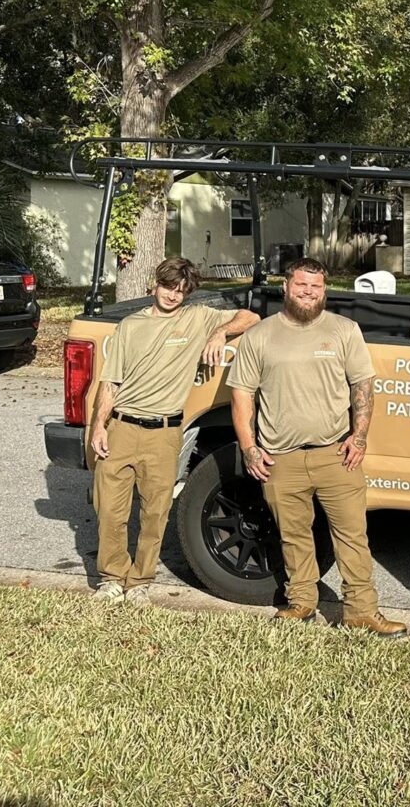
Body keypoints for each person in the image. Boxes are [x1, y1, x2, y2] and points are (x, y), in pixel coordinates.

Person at [227, 257, 403, 636]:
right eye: (302, 285)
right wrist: (249, 449)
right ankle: (302, 602)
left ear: (324, 290)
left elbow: (363, 387)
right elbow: (242, 395)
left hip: (335, 454)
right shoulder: (260, 336)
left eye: (316, 286)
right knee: (293, 536)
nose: (309, 292)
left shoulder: (344, 330)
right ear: (287, 286)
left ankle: (361, 610)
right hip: (281, 458)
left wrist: (359, 437)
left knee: (353, 537)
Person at [89, 256, 260, 605]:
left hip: (165, 432)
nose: (173, 295)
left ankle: (139, 582)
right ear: (156, 284)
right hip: (122, 425)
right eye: (169, 287)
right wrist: (98, 427)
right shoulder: (130, 326)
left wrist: (219, 331)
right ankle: (111, 577)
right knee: (110, 509)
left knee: (155, 512)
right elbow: (110, 383)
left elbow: (252, 316)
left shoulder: (197, 317)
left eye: (182, 291)